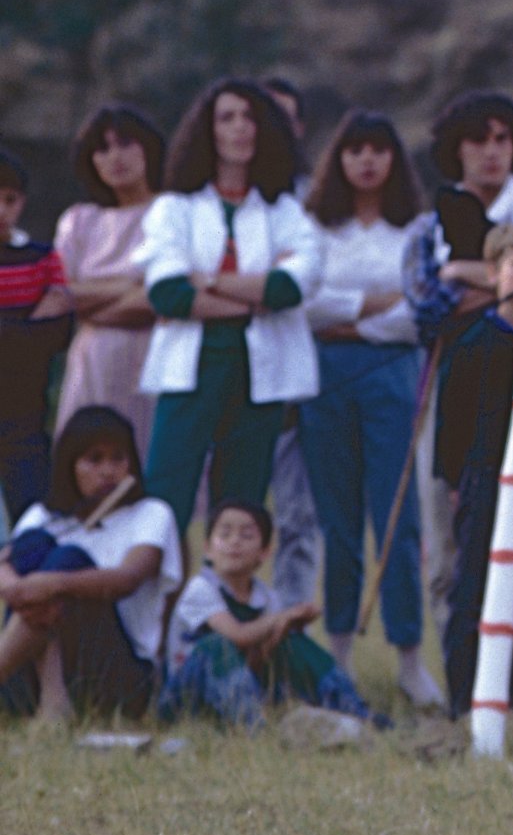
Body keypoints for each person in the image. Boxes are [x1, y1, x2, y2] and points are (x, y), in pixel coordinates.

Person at [299, 110, 441, 709]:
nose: (366, 161)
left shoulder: (417, 229)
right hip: (325, 378)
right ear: (339, 158)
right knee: (338, 521)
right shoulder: (314, 228)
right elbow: (304, 307)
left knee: (397, 519)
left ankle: (409, 657)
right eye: (354, 149)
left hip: (393, 376)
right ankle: (338, 657)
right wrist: (372, 305)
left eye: (378, 150)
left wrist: (348, 313)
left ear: (393, 161)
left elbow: (417, 310)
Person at [140, 80, 324, 533]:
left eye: (250, 118)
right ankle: (159, 603)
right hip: (191, 371)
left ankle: (223, 602)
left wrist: (211, 282)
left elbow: (291, 289)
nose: (240, 128)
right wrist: (252, 295)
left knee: (240, 509)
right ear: (208, 130)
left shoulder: (286, 212)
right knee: (165, 502)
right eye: (227, 118)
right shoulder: (174, 209)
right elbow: (169, 294)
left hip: (259, 376)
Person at [402, 90, 513, 642]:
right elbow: (428, 307)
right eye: (478, 140)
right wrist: (502, 283)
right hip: (451, 386)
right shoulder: (428, 227)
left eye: (502, 139)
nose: (491, 152)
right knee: (446, 526)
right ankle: (459, 661)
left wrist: (462, 271)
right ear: (455, 150)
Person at [0, 404, 181, 720]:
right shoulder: (43, 516)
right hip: (27, 679)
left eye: (118, 458)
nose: (108, 470)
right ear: (71, 465)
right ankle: (52, 697)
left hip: (115, 678)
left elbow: (128, 578)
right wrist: (18, 588)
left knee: (67, 560)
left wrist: (54, 583)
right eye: (94, 459)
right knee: (33, 546)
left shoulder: (151, 513)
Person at [441, 221, 513, 718]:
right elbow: (452, 420)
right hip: (482, 478)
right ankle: (465, 696)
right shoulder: (474, 342)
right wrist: (456, 477)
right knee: (473, 586)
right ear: (494, 272)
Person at [162, 498, 370, 731]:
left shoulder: (267, 597)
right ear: (208, 549)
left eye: (247, 536)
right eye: (225, 534)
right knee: (217, 646)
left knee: (296, 644)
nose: (235, 542)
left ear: (264, 553)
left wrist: (284, 629)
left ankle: (354, 710)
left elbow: (257, 659)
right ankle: (253, 726)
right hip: (186, 695)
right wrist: (281, 619)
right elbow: (237, 635)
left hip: (239, 686)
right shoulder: (200, 588)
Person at [53, 104, 165, 455]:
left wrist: (91, 304)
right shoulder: (80, 220)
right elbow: (59, 293)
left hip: (154, 358)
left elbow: (161, 295)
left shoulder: (170, 213)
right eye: (103, 148)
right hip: (93, 362)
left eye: (126, 143)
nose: (115, 157)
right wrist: (129, 285)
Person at [259, 75, 324, 612]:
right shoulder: (211, 201)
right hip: (231, 369)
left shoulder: (317, 199)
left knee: (298, 514)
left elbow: (315, 286)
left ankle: (288, 626)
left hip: (301, 372)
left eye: (287, 117)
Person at [0, 146, 73, 532]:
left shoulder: (41, 257)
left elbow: (58, 330)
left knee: (31, 518)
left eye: (8, 200)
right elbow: (38, 330)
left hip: (26, 413)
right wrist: (27, 325)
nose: (0, 210)